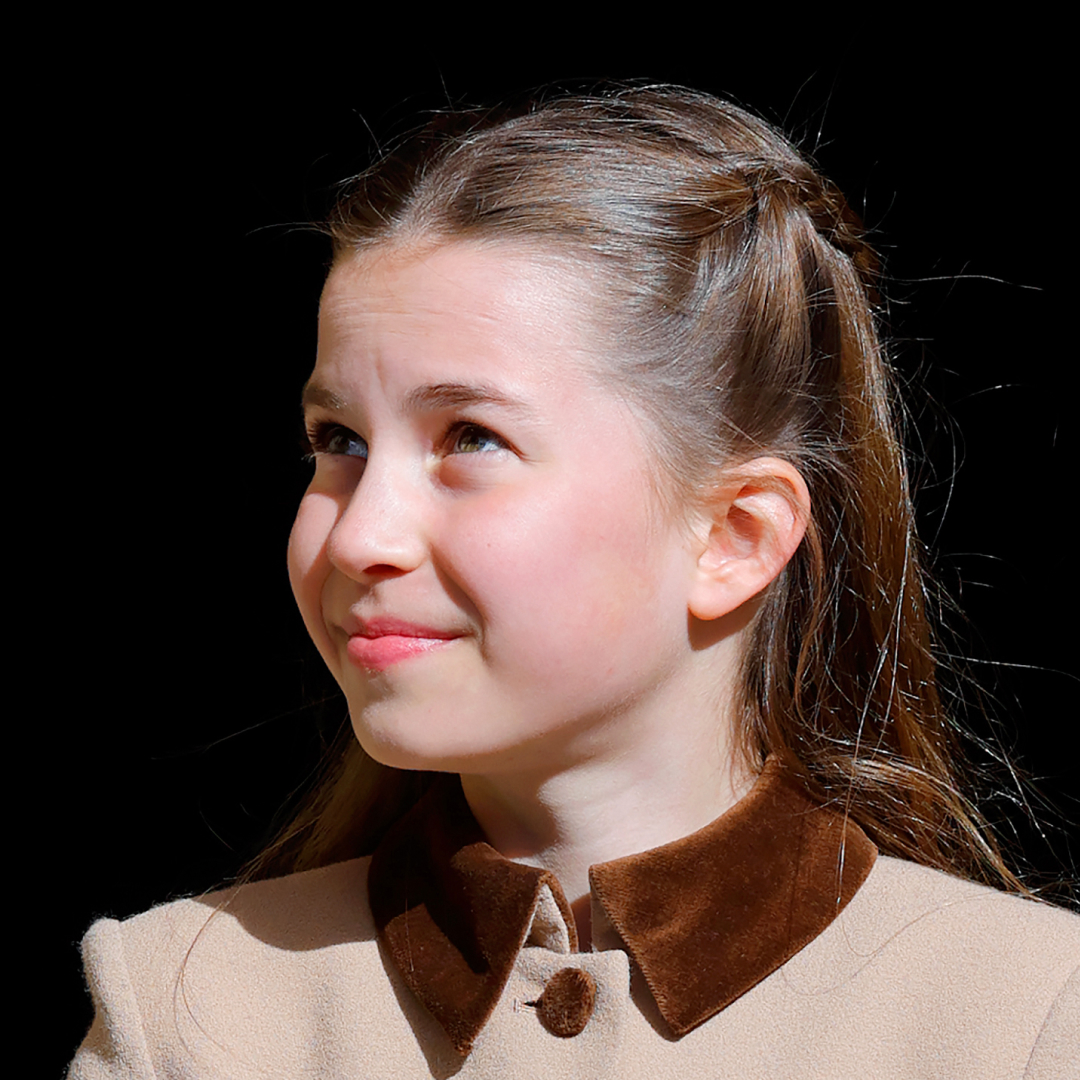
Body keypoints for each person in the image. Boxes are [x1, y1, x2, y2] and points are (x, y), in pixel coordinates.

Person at [69, 85, 1079, 1079]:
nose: (360, 535)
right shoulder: (186, 1012)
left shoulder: (1027, 1019)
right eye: (337, 441)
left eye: (472, 437)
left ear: (733, 534)